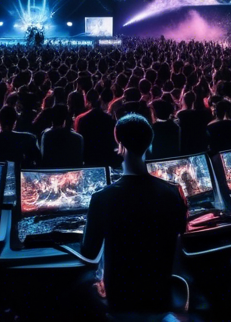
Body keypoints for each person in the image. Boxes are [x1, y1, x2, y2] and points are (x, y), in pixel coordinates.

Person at [80, 114, 187, 314]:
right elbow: (179, 237)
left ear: (118, 143)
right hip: (159, 294)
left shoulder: (102, 198)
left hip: (120, 298)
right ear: (149, 142)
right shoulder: (173, 192)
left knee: (80, 281)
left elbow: (88, 252)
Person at [75, 89, 119, 167]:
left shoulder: (81, 118)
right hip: (106, 157)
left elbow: (79, 141)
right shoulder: (108, 118)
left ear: (87, 100)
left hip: (88, 158)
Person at [177, 90, 212, 155]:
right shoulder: (201, 114)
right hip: (199, 143)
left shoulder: (181, 114)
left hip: (187, 144)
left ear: (184, 101)